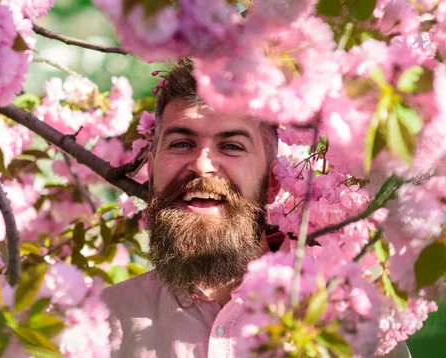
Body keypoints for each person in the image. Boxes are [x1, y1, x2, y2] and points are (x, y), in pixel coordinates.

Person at [101, 59, 411, 358]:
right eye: (181, 144)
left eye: (232, 146)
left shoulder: (352, 318)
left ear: (273, 181)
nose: (201, 165)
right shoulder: (102, 325)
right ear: (152, 174)